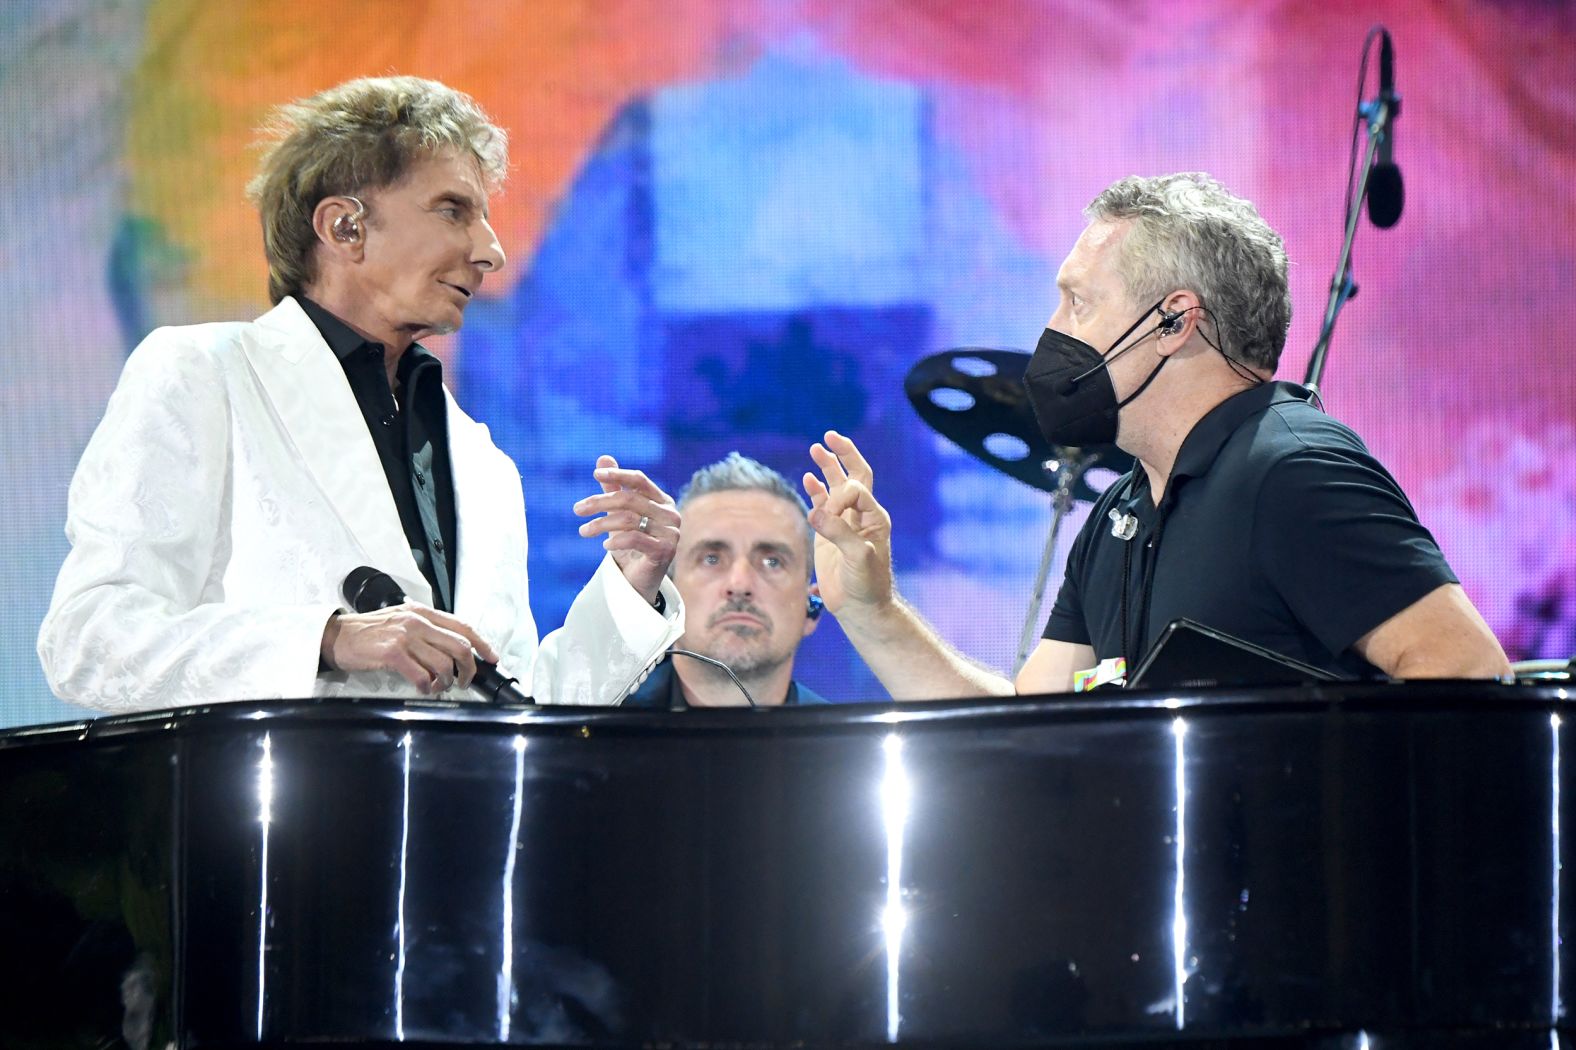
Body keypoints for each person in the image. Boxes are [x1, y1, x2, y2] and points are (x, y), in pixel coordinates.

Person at [37, 76, 684, 712]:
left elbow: (508, 704)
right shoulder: (203, 375)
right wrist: (328, 638)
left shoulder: (484, 461)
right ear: (345, 227)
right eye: (453, 210)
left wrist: (628, 592)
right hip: (255, 814)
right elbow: (90, 641)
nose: (490, 252)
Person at [803, 173, 1510, 697]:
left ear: (1175, 322)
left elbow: (1469, 674)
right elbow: (1026, 726)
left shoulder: (1293, 470)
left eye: (1078, 302)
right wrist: (874, 610)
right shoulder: (1121, 511)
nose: (1052, 331)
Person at [625, 454, 829, 708]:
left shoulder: (853, 744)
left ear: (812, 608)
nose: (740, 585)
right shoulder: (596, 737)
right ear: (664, 598)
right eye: (711, 559)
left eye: (772, 562)